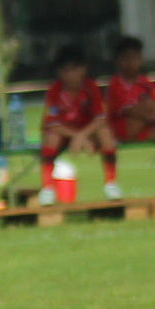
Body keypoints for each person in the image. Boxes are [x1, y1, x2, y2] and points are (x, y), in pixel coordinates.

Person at [106, 36, 155, 197]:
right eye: (126, 58)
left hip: (144, 127)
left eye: (135, 58)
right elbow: (128, 110)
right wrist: (153, 112)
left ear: (140, 60)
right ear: (118, 61)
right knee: (149, 107)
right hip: (122, 130)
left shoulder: (144, 82)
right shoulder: (115, 84)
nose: (131, 63)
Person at [39, 47, 113, 205]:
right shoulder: (55, 90)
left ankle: (111, 184)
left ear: (83, 70)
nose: (69, 75)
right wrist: (77, 137)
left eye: (74, 70)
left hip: (86, 132)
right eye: (65, 70)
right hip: (66, 134)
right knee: (51, 137)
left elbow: (101, 118)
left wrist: (82, 136)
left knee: (105, 133)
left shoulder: (91, 87)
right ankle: (47, 188)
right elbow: (51, 123)